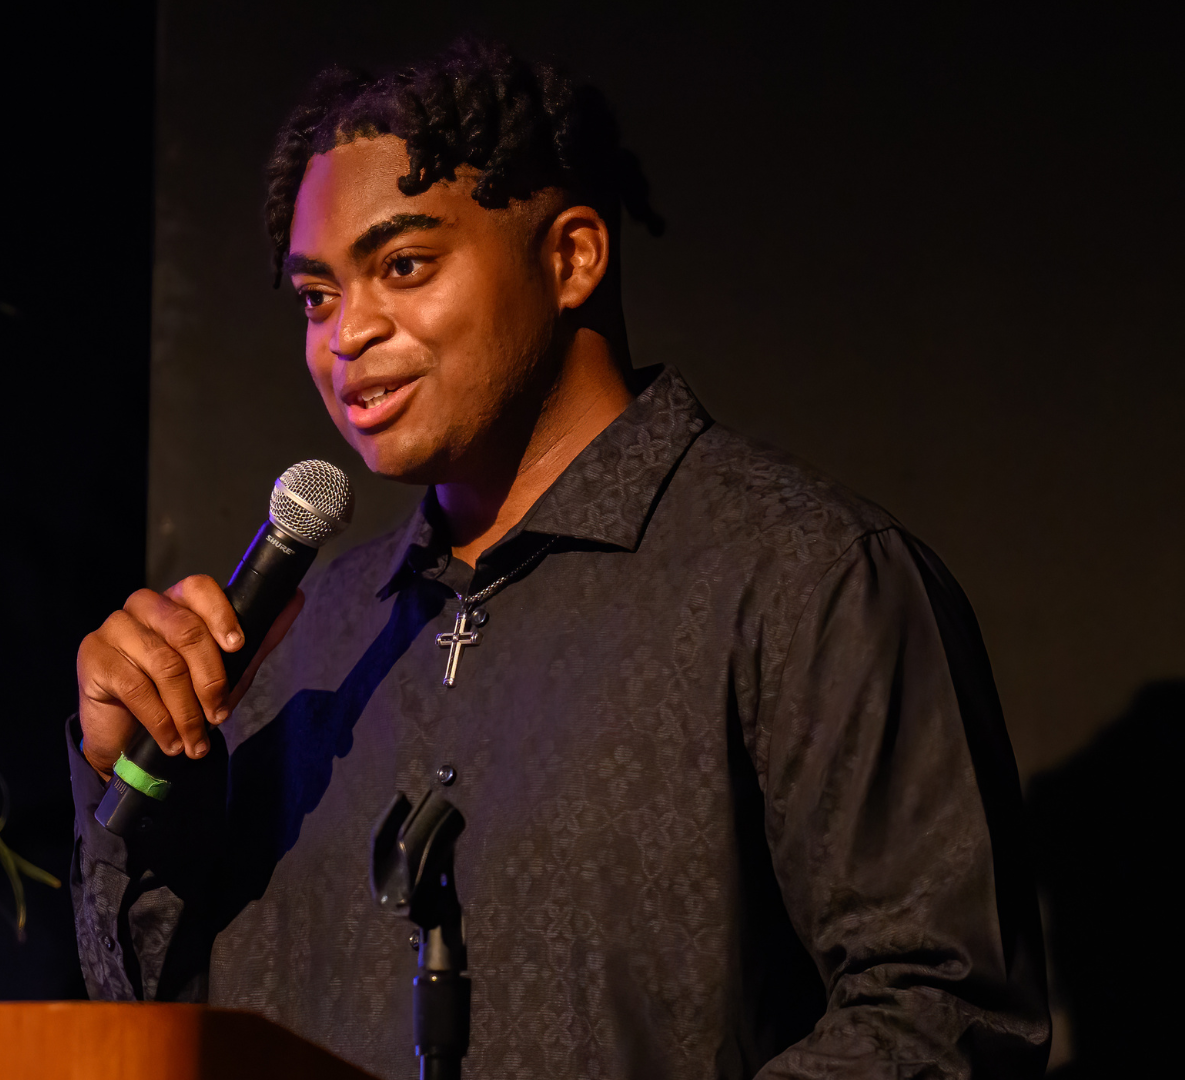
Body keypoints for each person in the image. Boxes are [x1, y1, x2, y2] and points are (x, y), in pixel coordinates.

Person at [68, 38, 1049, 1079]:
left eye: (403, 267)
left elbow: (940, 1015)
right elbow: (161, 1021)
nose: (345, 335)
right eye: (317, 296)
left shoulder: (808, 581)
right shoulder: (305, 644)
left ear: (572, 258)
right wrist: (133, 776)